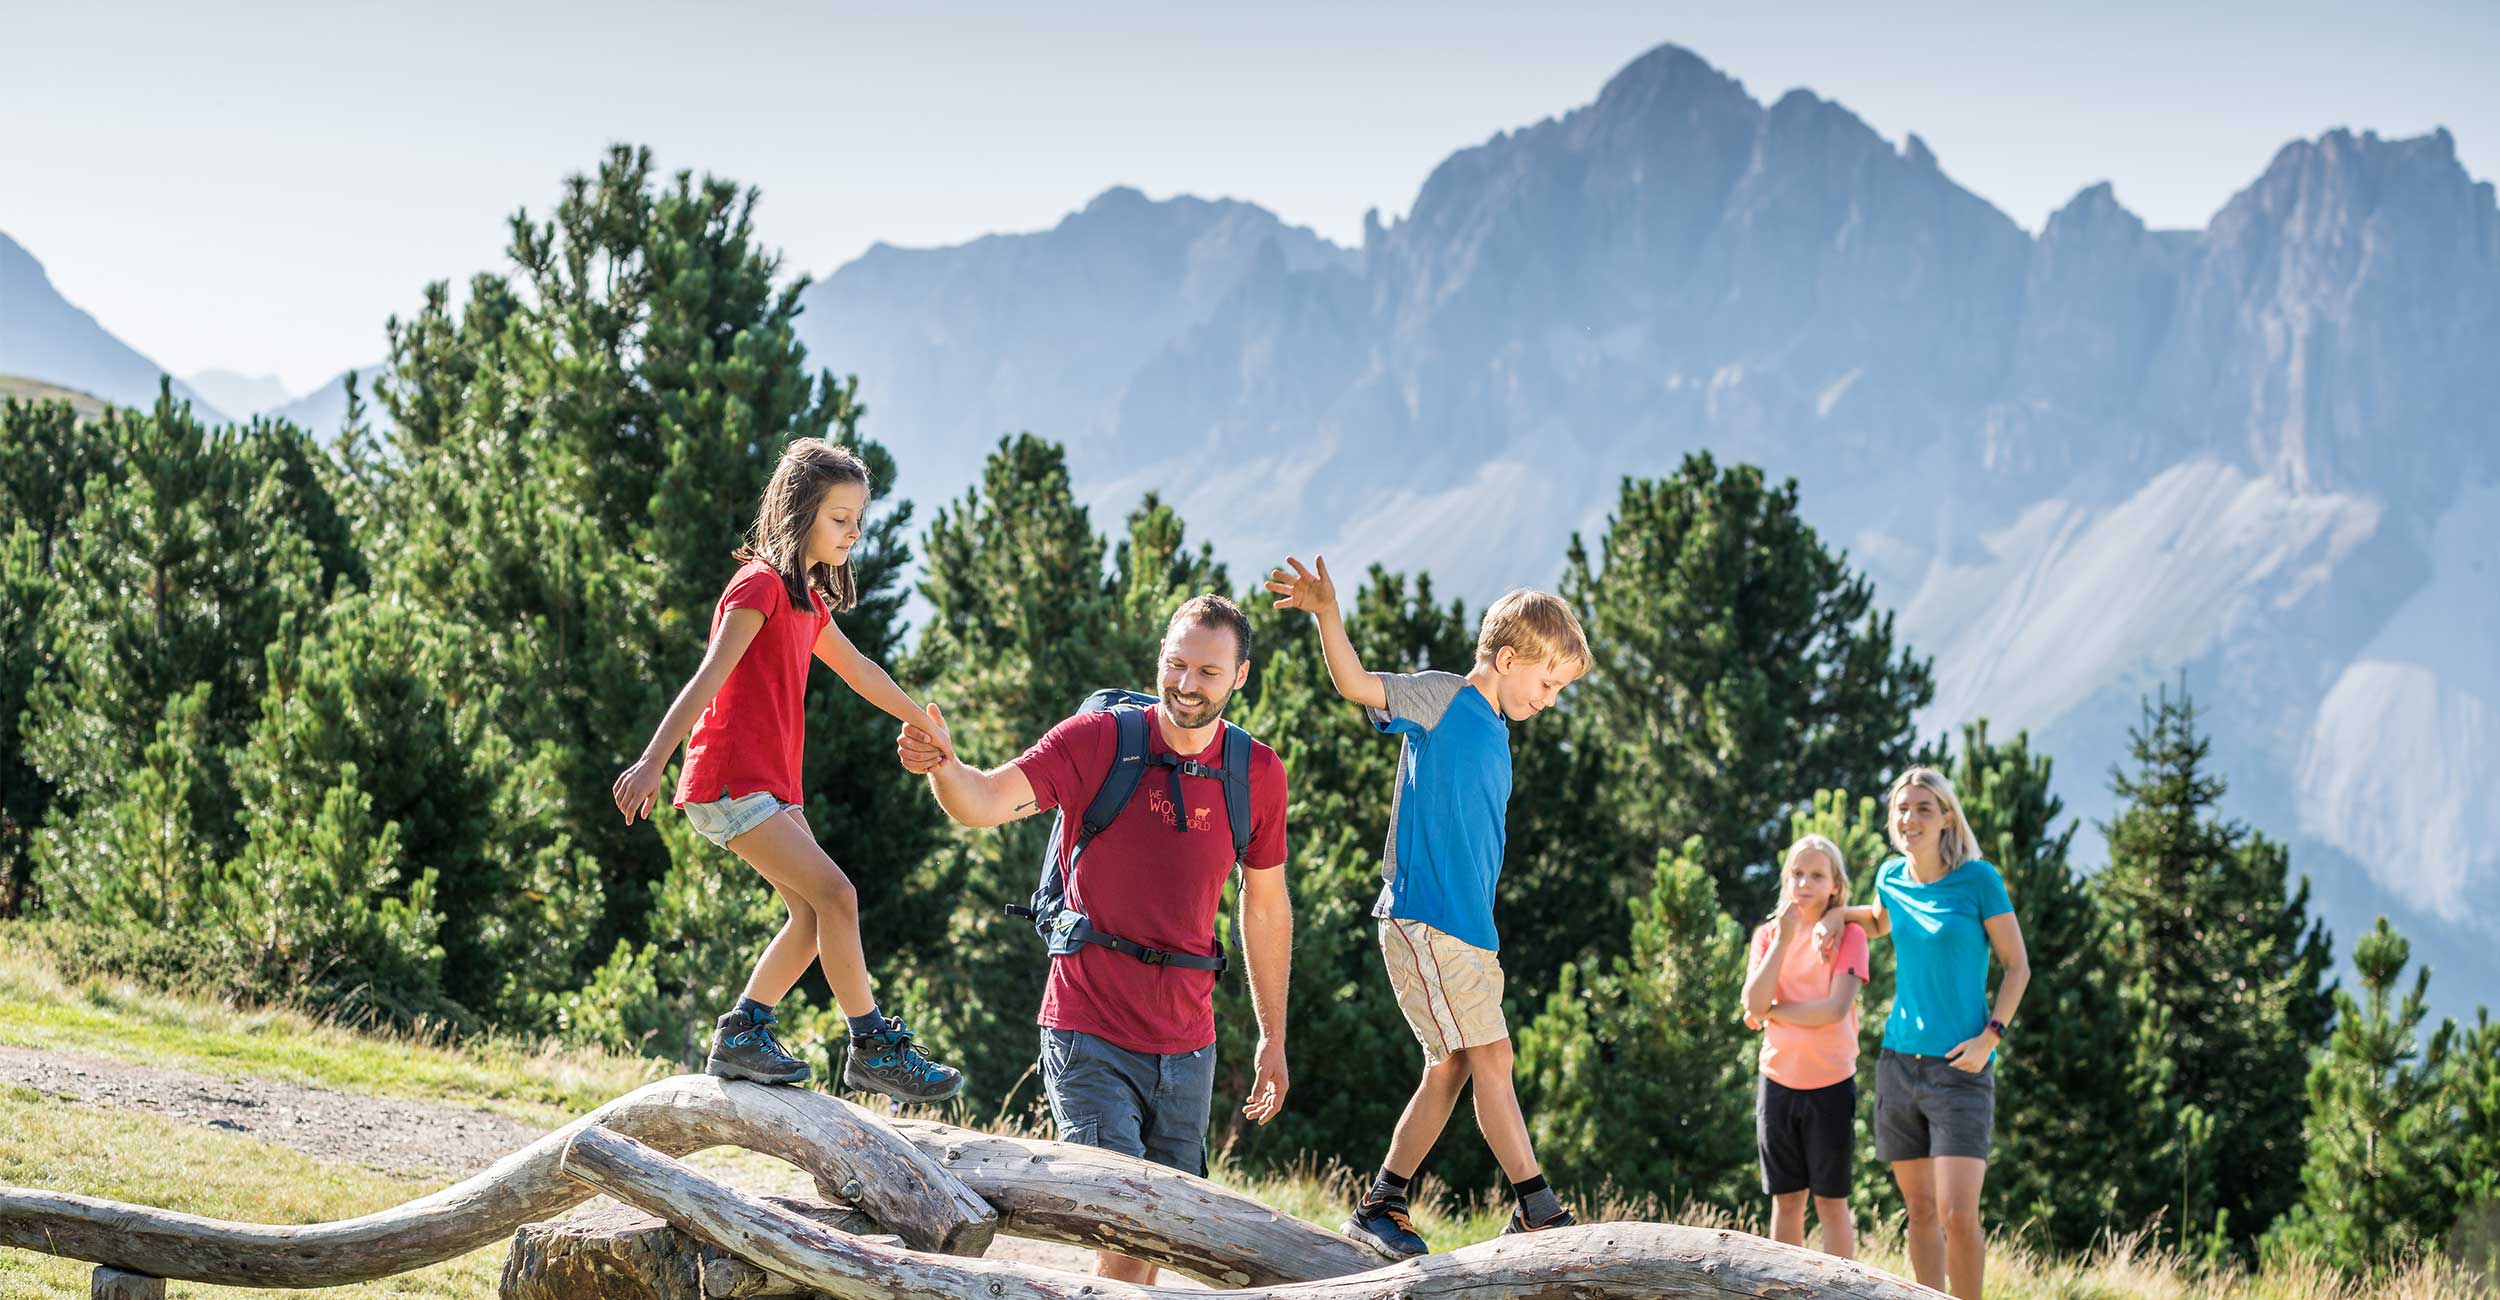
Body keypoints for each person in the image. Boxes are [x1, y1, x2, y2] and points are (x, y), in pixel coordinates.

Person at [896, 595, 1293, 1286]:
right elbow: (986, 800)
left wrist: (1273, 1036)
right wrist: (942, 766)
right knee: (1123, 1220)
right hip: (1089, 1028)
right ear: (1159, 659)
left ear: (1240, 676)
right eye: (1177, 664)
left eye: (1207, 670)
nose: (1187, 684)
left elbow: (1265, 908)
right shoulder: (1100, 741)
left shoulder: (1256, 773)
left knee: (1156, 1241)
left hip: (1187, 1045)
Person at [610, 437, 962, 1104]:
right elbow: (709, 675)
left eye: (858, 520)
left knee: (811, 917)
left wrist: (924, 723)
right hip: (732, 782)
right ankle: (872, 1046)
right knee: (838, 896)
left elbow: (860, 670)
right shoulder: (760, 586)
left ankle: (744, 1030)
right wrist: (653, 760)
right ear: (800, 512)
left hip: (770, 788)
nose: (852, 533)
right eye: (840, 519)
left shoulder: (807, 600)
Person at [1265, 554, 1589, 1256]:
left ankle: (1383, 1201)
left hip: (1466, 932)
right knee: (1492, 1057)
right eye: (1548, 681)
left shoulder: (1497, 731)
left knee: (1451, 1068)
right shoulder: (1444, 699)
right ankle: (1537, 1206)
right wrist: (1327, 613)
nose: (1551, 698)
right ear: (1506, 658)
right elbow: (1355, 684)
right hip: (1425, 921)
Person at [1816, 767, 2030, 1300]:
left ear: (1946, 818)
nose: (1910, 819)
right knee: (1921, 1212)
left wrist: (1990, 1038)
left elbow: (2017, 967)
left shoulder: (1979, 880)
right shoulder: (1890, 875)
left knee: (1959, 1214)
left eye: (1923, 809)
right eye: (1902, 809)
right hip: (1898, 1066)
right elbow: (1881, 919)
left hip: (1961, 1070)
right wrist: (1838, 916)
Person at [1739, 834, 1867, 1259]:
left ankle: (1840, 1290)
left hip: (1831, 1083)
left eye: (1817, 875)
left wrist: (1773, 1011)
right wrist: (1782, 939)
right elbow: (1752, 1002)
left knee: (1831, 1202)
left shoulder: (1849, 935)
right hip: (1777, 1083)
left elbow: (1833, 1009)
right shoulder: (1767, 935)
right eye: (1797, 873)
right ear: (1785, 879)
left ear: (1836, 885)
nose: (1805, 883)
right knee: (1787, 1200)